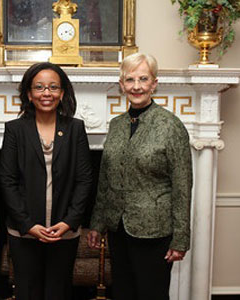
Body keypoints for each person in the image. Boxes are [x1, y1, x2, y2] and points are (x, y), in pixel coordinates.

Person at [87, 53, 193, 300]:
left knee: (151, 294)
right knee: (123, 291)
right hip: (118, 228)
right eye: (130, 79)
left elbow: (182, 185)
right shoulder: (116, 125)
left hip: (155, 231)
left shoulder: (170, 126)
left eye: (143, 79)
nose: (136, 86)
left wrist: (180, 238)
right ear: (121, 84)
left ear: (154, 83)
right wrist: (97, 223)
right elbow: (106, 179)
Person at [0, 62, 93, 300]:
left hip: (64, 232)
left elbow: (84, 179)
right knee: (27, 292)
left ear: (62, 93)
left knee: (58, 292)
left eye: (53, 87)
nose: (46, 93)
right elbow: (7, 181)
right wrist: (27, 224)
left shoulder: (75, 129)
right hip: (24, 232)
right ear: (29, 94)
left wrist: (70, 221)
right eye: (39, 87)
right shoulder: (15, 130)